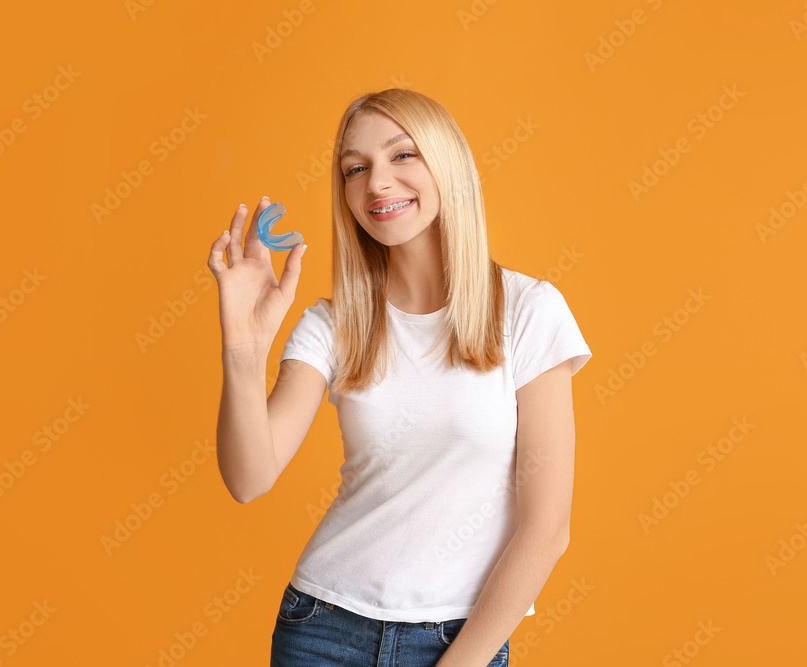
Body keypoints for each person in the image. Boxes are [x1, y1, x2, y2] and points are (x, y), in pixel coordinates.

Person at [206, 88, 592, 667]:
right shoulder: (332, 324)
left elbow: (546, 529)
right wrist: (242, 346)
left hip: (459, 640)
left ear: (447, 164)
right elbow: (249, 478)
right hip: (321, 631)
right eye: (354, 169)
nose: (377, 183)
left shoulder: (528, 311)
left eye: (402, 155)